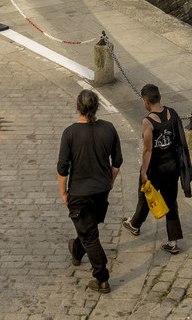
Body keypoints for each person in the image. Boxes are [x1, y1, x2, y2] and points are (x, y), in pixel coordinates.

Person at [57, 89, 122, 293]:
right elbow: (117, 162)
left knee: (90, 236)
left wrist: (63, 193)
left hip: (80, 193)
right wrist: (110, 182)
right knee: (89, 229)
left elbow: (62, 168)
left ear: (77, 107)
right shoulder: (109, 128)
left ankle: (102, 278)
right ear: (97, 107)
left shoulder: (70, 133)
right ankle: (76, 250)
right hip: (101, 191)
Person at [121, 83, 192, 253]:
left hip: (155, 169)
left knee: (144, 197)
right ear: (160, 97)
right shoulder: (172, 113)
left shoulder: (147, 121)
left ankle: (135, 225)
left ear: (146, 101)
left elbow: (148, 150)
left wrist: (144, 172)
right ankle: (173, 242)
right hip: (172, 167)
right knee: (171, 203)